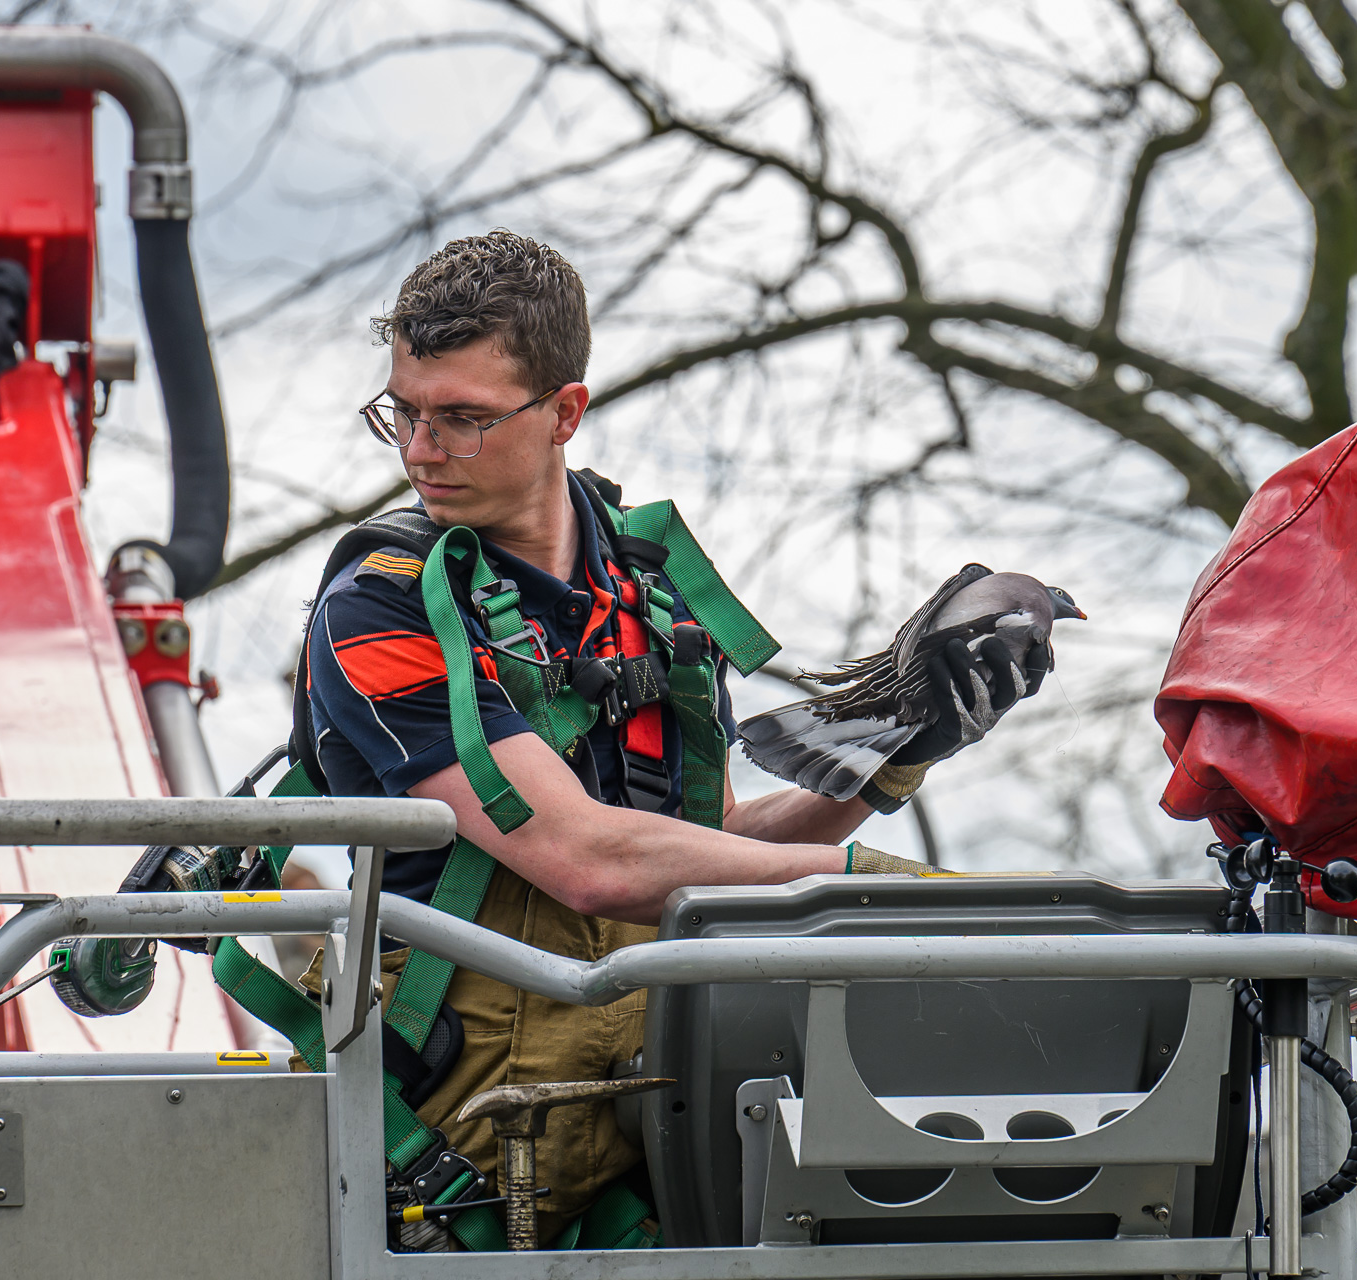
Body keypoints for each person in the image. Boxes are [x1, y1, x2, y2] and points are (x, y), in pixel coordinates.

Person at [296, 230, 1038, 1246]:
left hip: (662, 1080)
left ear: (565, 411)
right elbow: (589, 861)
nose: (422, 451)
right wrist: (869, 886)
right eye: (405, 414)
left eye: (463, 419)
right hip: (458, 1140)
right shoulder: (380, 610)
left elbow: (717, 842)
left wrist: (903, 740)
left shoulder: (646, 588)